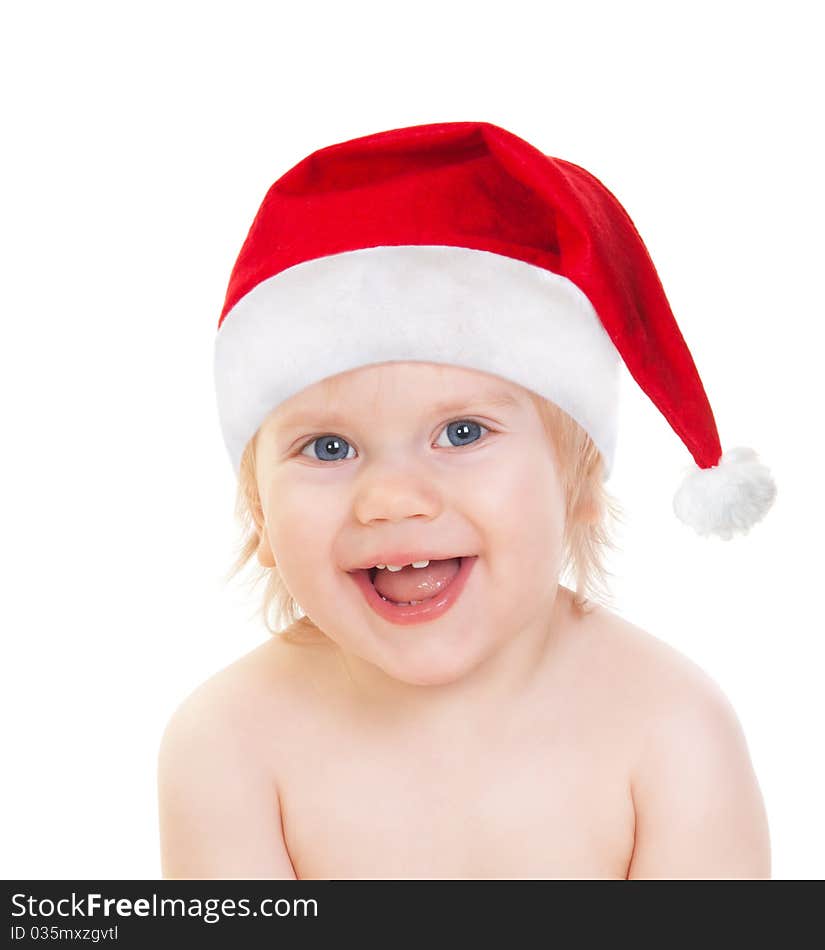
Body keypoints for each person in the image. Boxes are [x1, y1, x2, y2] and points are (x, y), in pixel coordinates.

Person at [157, 121, 776, 879]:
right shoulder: (229, 746)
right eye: (328, 448)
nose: (390, 499)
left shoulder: (671, 731)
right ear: (258, 515)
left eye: (460, 431)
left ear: (579, 482)